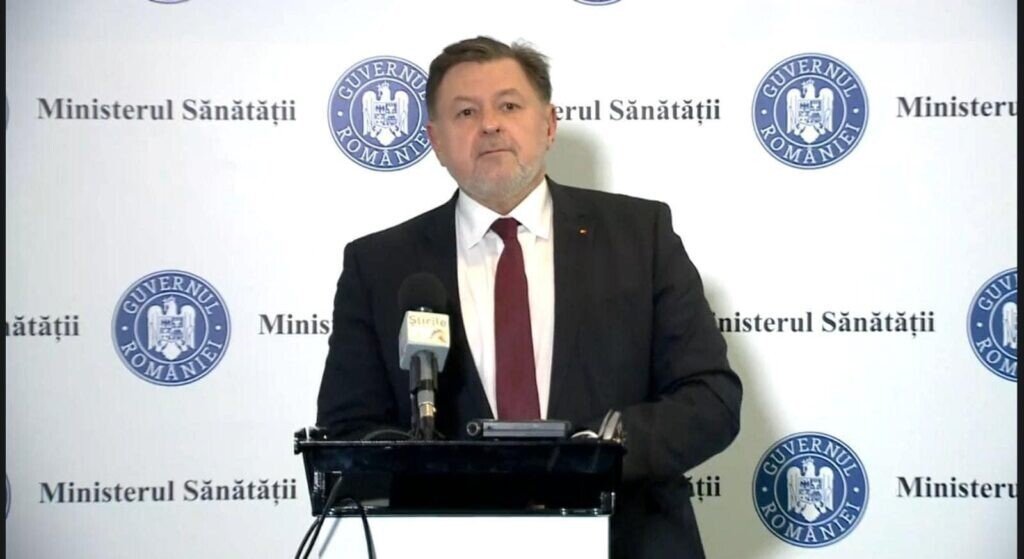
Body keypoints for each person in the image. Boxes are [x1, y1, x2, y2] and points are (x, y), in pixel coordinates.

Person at [316, 36, 742, 559]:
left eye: (509, 106)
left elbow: (710, 399)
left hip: (626, 540)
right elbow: (349, 430)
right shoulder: (379, 265)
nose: (489, 125)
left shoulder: (640, 235)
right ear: (436, 141)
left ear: (549, 125)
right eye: (466, 112)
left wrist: (595, 455)